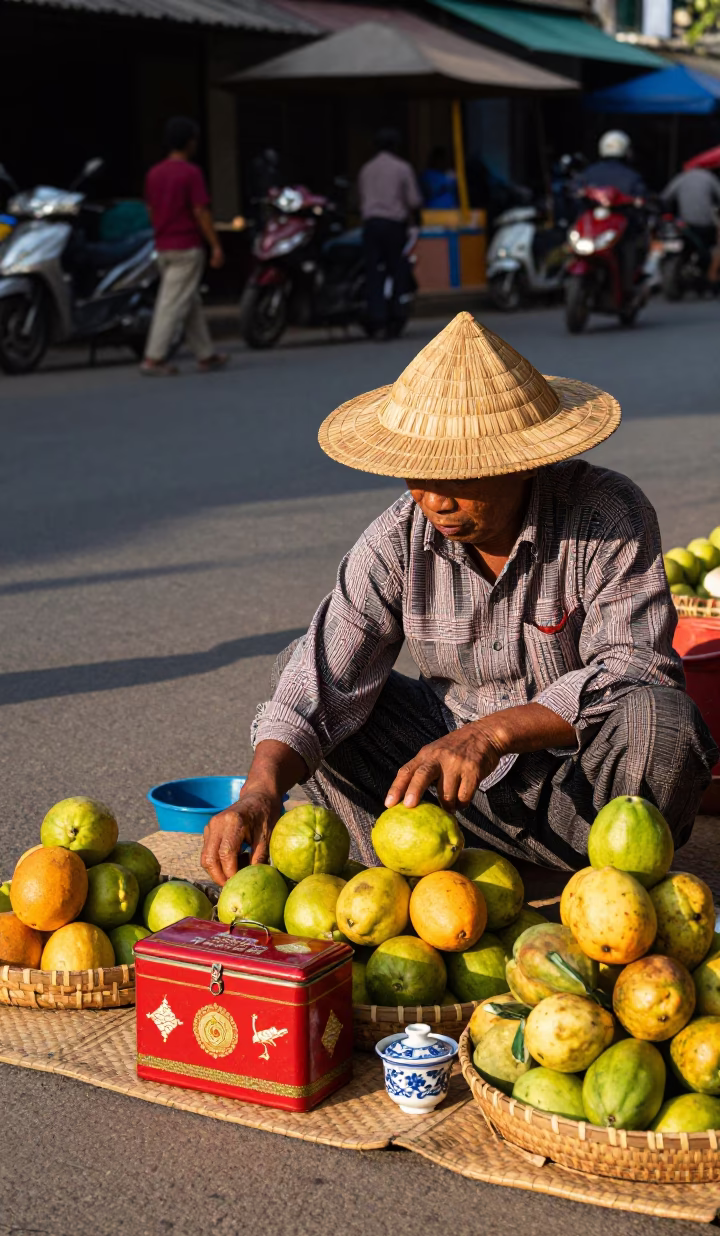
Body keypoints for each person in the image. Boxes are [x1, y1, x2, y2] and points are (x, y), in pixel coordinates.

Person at [200, 312, 718, 886]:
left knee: (661, 718)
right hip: (448, 797)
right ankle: (420, 873)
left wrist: (491, 735)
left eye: (458, 479)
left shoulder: (604, 514)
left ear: (522, 464)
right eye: (417, 478)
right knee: (302, 678)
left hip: (586, 794)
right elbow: (320, 677)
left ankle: (613, 888)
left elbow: (634, 666)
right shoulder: (398, 538)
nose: (435, 501)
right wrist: (259, 791)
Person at [142, 117, 227, 377]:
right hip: (186, 245)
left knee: (188, 300)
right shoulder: (191, 173)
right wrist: (215, 245)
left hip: (163, 245)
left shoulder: (154, 173)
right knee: (172, 304)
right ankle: (154, 358)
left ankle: (206, 353)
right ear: (190, 142)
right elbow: (200, 210)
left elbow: (150, 209)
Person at [358, 127, 422, 338]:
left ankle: (377, 319)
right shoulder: (402, 168)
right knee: (397, 270)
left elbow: (360, 198)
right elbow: (413, 200)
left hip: (371, 225)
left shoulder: (366, 169)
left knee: (374, 272)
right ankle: (395, 312)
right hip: (394, 225)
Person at [577, 131, 648, 297]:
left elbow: (641, 199)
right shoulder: (631, 175)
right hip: (597, 227)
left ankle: (627, 289)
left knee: (628, 247)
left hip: (612, 228)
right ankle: (627, 286)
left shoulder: (589, 172)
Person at [661, 165, 720, 274]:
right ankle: (709, 275)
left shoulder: (681, 178)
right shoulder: (710, 178)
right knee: (712, 248)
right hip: (705, 224)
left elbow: (665, 197)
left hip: (685, 224)